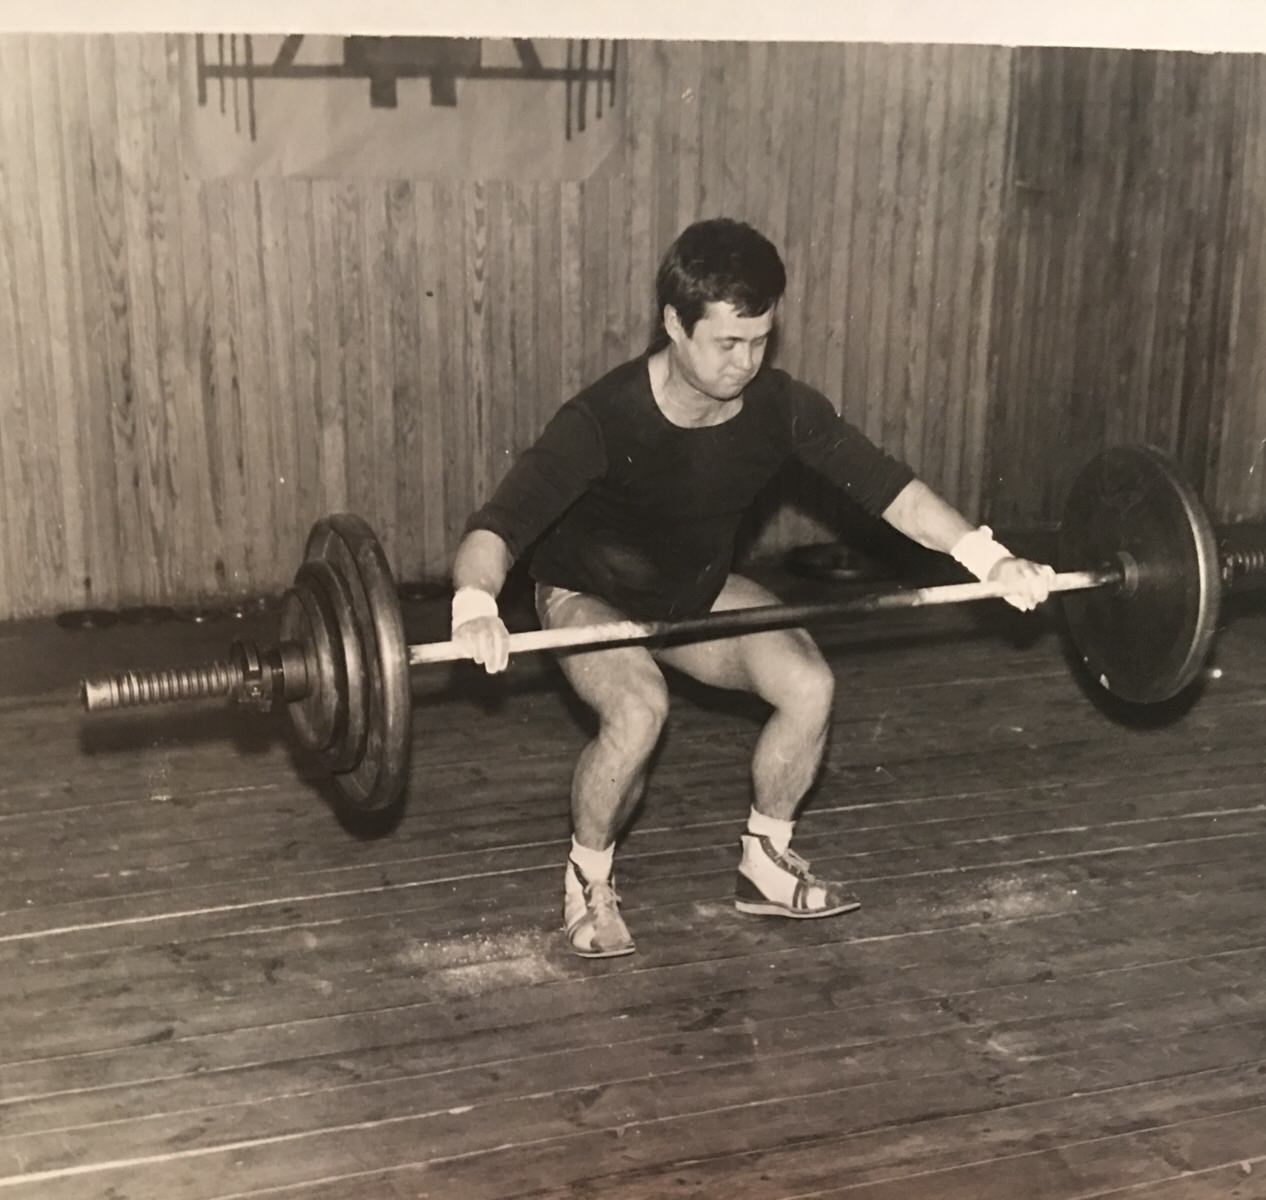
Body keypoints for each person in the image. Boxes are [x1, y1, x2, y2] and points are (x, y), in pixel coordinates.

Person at [450, 218, 1054, 959]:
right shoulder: (601, 419)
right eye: (726, 344)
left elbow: (891, 490)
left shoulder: (778, 407)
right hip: (589, 596)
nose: (745, 363)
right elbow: (499, 526)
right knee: (639, 711)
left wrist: (988, 558)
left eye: (760, 340)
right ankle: (589, 877)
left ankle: (765, 862)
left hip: (694, 593)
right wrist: (476, 605)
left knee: (808, 685)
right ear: (674, 323)